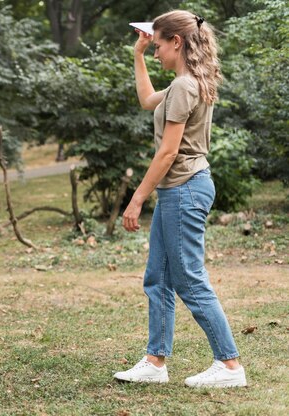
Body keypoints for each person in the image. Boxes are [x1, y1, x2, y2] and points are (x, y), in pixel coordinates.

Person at [114, 10, 247, 388]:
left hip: (184, 188)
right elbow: (145, 100)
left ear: (177, 42)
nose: (155, 51)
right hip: (182, 188)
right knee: (158, 277)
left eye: (156, 45)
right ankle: (155, 362)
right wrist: (137, 55)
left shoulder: (186, 87)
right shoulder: (183, 85)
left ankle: (230, 365)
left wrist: (137, 198)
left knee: (188, 278)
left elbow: (168, 153)